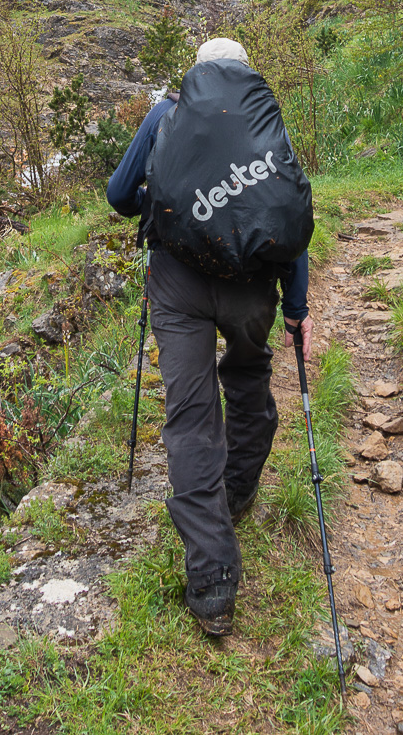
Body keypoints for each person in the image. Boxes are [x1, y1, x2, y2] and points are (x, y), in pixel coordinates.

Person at [107, 37, 313, 636]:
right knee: (248, 377)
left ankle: (213, 579)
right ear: (244, 74)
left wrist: (162, 199)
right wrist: (296, 307)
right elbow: (287, 211)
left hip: (178, 286)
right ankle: (238, 489)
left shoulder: (165, 114)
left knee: (191, 416)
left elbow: (119, 197)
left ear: (196, 75)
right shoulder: (262, 121)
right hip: (251, 286)